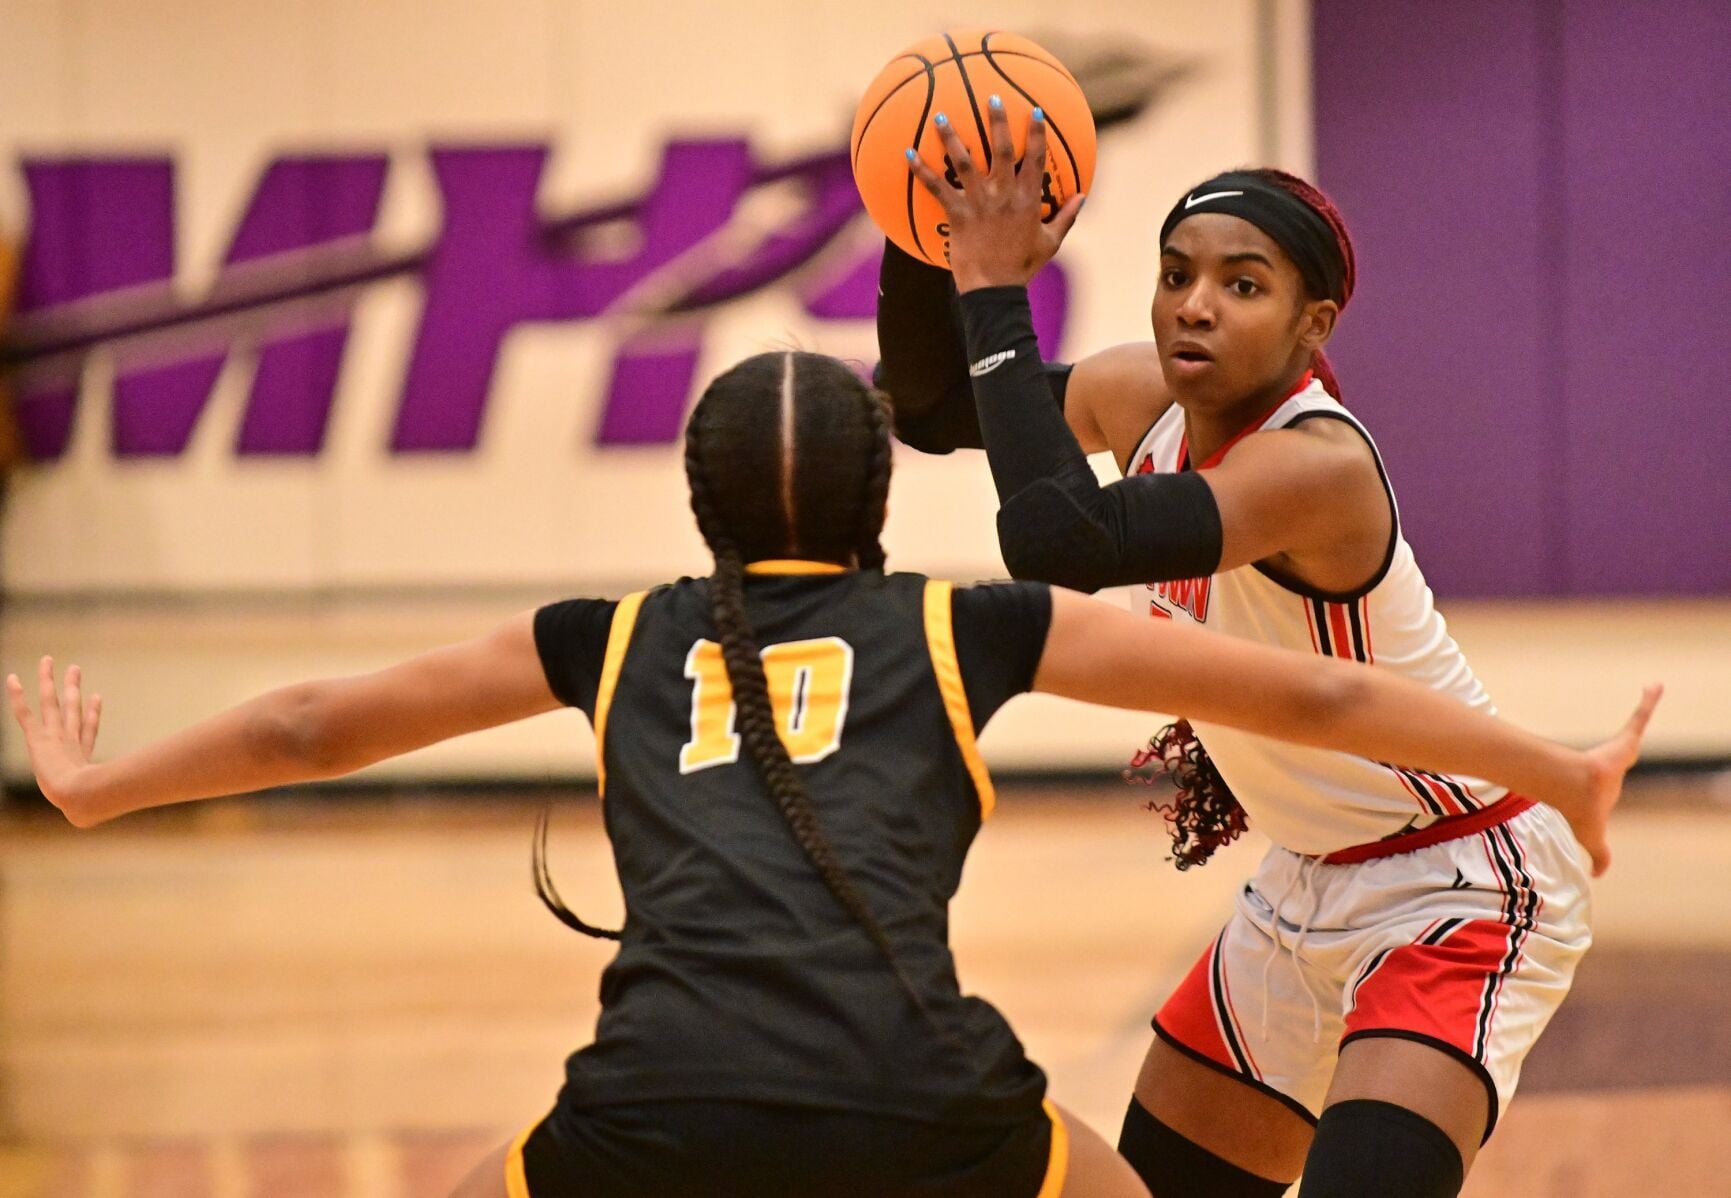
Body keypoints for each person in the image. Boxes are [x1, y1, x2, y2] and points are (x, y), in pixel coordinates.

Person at [10, 351, 1655, 1198]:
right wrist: (1547, 757)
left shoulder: (612, 636)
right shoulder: (966, 623)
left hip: (653, 1106)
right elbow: (1311, 687)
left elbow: (308, 727)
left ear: (698, 505)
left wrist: (94, 784)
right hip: (925, 1098)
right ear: (875, 500)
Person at [884, 99, 1649, 1196]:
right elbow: (934, 406)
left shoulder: (1315, 467)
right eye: (1175, 273)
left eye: (1242, 286)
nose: (1194, 307)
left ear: (1312, 325)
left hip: (1460, 884)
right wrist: (931, 235)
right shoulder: (1143, 395)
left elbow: (1060, 542)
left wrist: (997, 290)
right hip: (1300, 887)